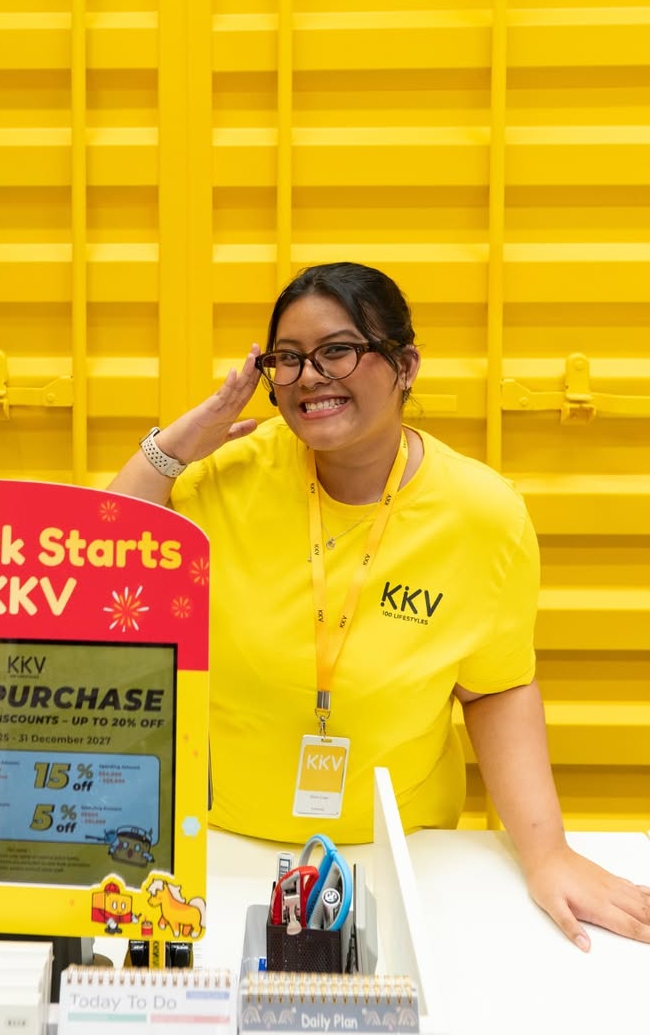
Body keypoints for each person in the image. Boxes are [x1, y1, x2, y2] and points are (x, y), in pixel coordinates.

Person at [108, 261, 650, 951]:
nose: (310, 376)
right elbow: (104, 548)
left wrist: (547, 854)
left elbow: (497, 689)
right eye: (288, 359)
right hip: (216, 840)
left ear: (405, 365)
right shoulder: (226, 473)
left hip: (403, 852)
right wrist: (192, 433)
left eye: (338, 350)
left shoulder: (482, 516)